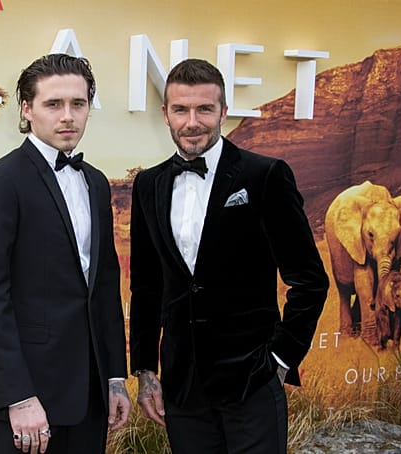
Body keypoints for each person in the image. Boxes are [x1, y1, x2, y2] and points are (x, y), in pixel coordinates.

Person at [129, 58, 329, 453]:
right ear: (166, 114)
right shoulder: (148, 184)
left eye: (204, 109)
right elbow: (147, 286)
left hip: (250, 380)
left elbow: (309, 279)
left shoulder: (264, 175)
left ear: (223, 111)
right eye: (181, 110)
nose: (192, 122)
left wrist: (279, 359)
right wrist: (147, 370)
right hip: (183, 387)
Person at [0, 53, 130, 454]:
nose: (67, 116)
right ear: (27, 108)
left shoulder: (95, 183)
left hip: (90, 397)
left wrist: (114, 378)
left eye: (78, 103)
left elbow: (104, 284)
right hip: (26, 402)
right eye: (53, 104)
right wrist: (18, 396)